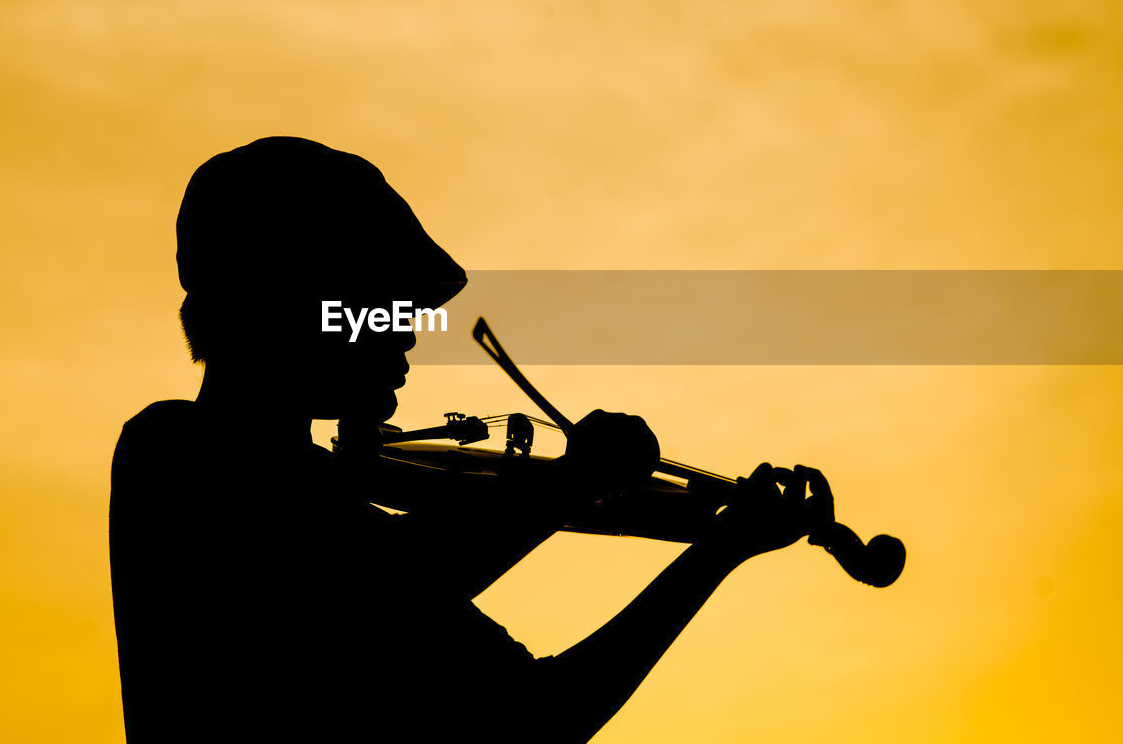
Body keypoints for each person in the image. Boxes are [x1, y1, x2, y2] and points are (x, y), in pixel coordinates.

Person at [109, 137, 836, 742]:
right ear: (291, 304)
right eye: (373, 307)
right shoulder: (172, 453)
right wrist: (569, 482)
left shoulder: (330, 511)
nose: (405, 336)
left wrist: (717, 552)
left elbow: (540, 718)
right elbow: (385, 583)